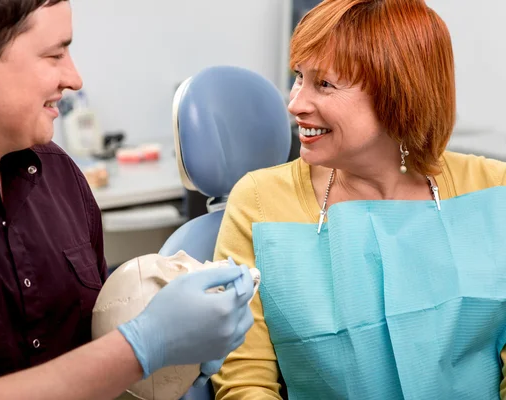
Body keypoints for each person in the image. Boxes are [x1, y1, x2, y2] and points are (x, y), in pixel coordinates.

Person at [0, 1, 254, 399]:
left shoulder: (58, 174)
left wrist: (175, 355)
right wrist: (140, 348)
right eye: (54, 55)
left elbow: (94, 346)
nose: (74, 78)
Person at [212, 0, 506, 399]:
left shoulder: (493, 190)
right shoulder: (260, 202)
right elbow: (245, 380)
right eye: (298, 77)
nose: (295, 103)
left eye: (324, 84)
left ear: (399, 94)